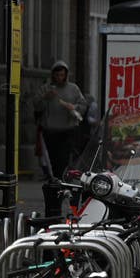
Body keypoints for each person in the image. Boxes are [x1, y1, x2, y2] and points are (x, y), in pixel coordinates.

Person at [32, 61, 86, 215]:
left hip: (67, 130)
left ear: (66, 75)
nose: (59, 77)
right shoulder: (46, 89)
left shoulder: (73, 89)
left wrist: (73, 108)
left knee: (64, 159)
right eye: (56, 74)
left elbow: (82, 105)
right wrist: (45, 99)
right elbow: (36, 105)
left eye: (62, 75)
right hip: (50, 130)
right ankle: (55, 182)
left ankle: (62, 182)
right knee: (52, 160)